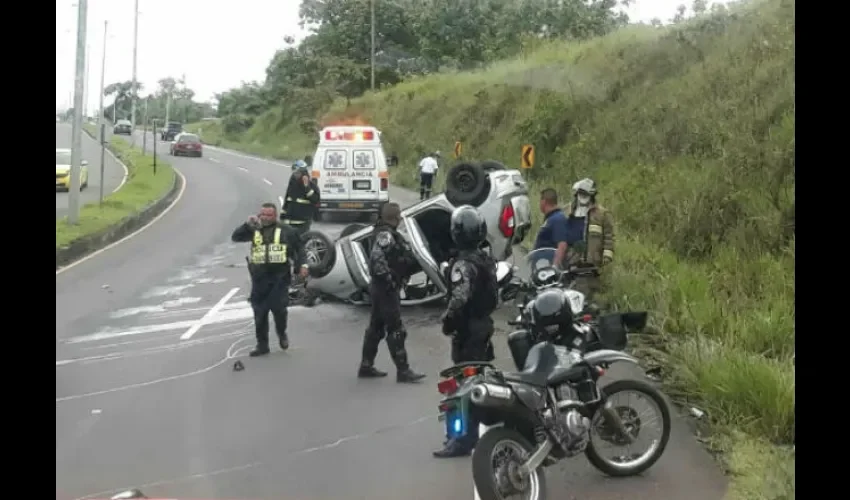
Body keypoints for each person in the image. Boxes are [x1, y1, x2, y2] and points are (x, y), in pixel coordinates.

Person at [433, 205, 500, 458]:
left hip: (468, 328)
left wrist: (447, 319)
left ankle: (460, 440)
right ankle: (475, 432)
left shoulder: (463, 264)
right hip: (483, 325)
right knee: (477, 379)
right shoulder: (485, 259)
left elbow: (460, 297)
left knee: (460, 385)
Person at [358, 202, 426, 383]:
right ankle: (403, 371)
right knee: (396, 329)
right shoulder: (385, 235)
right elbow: (377, 260)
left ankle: (366, 365)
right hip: (385, 289)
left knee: (376, 327)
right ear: (394, 218)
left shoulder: (385, 232)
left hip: (381, 288)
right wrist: (391, 281)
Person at [231, 202, 309, 357]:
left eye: (269, 215)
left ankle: (281, 333)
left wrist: (303, 266)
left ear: (275, 216)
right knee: (259, 312)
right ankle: (262, 345)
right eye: (263, 214)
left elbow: (299, 249)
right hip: (259, 278)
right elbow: (236, 237)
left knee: (279, 310)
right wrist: (247, 225)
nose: (265, 218)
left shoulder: (287, 231)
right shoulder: (254, 229)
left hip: (279, 277)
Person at [563, 178, 615, 301]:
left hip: (590, 262)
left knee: (586, 296)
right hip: (569, 259)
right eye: (581, 193)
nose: (583, 196)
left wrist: (607, 256)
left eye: (586, 194)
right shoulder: (566, 210)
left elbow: (609, 236)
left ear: (592, 195)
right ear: (576, 194)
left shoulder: (602, 214)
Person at [534, 188, 570, 268]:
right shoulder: (551, 218)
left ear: (544, 201)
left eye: (540, 200)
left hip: (548, 270)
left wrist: (554, 267)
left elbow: (562, 244)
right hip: (542, 267)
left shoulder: (557, 219)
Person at [281, 166, 320, 235]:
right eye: (295, 174)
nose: (296, 176)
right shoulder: (292, 185)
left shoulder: (312, 186)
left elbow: (315, 200)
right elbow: (287, 202)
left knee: (301, 241)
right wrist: (282, 216)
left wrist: (306, 187)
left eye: (298, 174)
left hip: (303, 223)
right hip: (289, 222)